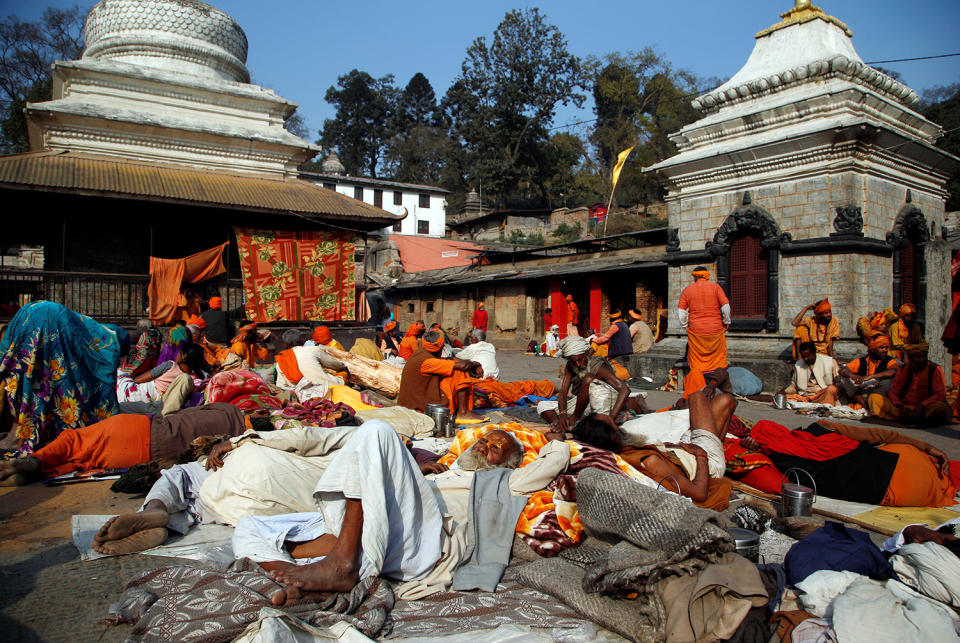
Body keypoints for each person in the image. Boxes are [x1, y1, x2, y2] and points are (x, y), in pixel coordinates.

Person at [230, 420, 570, 603]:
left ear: (509, 463)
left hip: (423, 543)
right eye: (485, 440)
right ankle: (288, 575)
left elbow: (553, 462)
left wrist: (555, 437)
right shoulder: (447, 469)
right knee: (248, 526)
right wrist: (420, 475)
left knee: (377, 431)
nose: (485, 446)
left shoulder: (506, 480)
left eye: (497, 448)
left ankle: (342, 564)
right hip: (385, 527)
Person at [0, 403, 245, 486]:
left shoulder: (226, 408)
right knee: (86, 460)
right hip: (144, 457)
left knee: (75, 441)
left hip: (143, 428)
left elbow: (184, 411)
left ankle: (36, 460)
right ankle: (39, 469)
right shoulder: (240, 443)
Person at [0, 301, 129, 457]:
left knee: (29, 373)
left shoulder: (87, 329)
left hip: (29, 314)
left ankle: (18, 433)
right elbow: (102, 380)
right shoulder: (108, 342)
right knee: (44, 377)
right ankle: (22, 435)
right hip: (48, 320)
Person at [572, 389, 734, 510]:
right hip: (704, 464)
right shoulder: (649, 461)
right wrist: (701, 455)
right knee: (719, 400)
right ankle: (717, 453)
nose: (620, 427)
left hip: (681, 451)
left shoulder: (622, 454)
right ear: (613, 436)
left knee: (707, 405)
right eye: (617, 427)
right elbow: (699, 493)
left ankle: (715, 442)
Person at [736, 418, 954, 507]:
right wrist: (926, 446)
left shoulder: (777, 459)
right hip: (908, 460)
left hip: (897, 493)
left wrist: (756, 448)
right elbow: (880, 434)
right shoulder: (821, 427)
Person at [536, 336, 648, 438]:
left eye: (580, 360)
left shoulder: (597, 366)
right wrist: (562, 416)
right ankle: (561, 425)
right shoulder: (570, 366)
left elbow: (624, 389)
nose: (578, 364)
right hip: (582, 402)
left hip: (604, 400)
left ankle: (574, 421)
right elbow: (563, 393)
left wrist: (611, 420)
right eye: (574, 361)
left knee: (588, 379)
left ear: (586, 354)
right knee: (542, 406)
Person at [397, 330, 483, 419]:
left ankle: (462, 411)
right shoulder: (428, 361)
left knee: (454, 365)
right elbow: (463, 366)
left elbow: (450, 360)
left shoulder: (421, 353)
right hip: (419, 406)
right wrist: (475, 365)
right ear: (440, 347)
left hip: (416, 400)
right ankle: (463, 412)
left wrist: (472, 364)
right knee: (459, 372)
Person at [677, 267, 730, 397]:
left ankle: (699, 386)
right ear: (706, 276)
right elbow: (725, 307)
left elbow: (681, 312)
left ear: (695, 277)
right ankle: (715, 383)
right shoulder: (716, 287)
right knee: (718, 358)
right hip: (715, 329)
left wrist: (686, 326)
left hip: (696, 330)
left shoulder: (687, 290)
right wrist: (726, 322)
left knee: (697, 360)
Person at [868, 342, 949, 426]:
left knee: (940, 407)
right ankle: (912, 419)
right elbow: (893, 392)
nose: (921, 360)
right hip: (903, 407)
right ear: (910, 358)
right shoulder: (902, 369)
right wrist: (900, 406)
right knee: (874, 398)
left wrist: (921, 406)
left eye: (924, 356)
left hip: (924, 408)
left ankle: (913, 419)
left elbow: (940, 394)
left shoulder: (934, 369)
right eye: (918, 357)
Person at [116, 343, 209, 414]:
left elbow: (140, 379)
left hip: (141, 393)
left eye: (179, 353)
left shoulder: (170, 365)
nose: (177, 355)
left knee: (118, 373)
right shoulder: (195, 380)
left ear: (184, 356)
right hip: (159, 401)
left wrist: (132, 382)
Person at [838, 334, 899, 409]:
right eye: (882, 348)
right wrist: (852, 375)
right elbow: (842, 370)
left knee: (888, 381)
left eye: (886, 348)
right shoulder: (861, 361)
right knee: (844, 378)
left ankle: (871, 404)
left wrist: (870, 377)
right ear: (872, 349)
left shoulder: (890, 360)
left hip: (877, 391)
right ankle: (862, 403)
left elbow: (893, 371)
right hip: (862, 391)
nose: (885, 350)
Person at [274, 330, 347, 391]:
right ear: (302, 341)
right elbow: (335, 365)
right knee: (343, 373)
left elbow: (280, 386)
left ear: (285, 345)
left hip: (300, 394)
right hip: (326, 389)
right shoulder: (313, 350)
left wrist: (296, 390)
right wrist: (344, 367)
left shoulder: (280, 361)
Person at [782, 341, 840, 406]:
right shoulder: (798, 364)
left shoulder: (829, 362)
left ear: (814, 353)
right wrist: (783, 392)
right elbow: (794, 386)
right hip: (805, 397)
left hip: (822, 395)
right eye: (803, 357)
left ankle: (823, 406)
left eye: (808, 356)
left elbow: (839, 382)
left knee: (831, 389)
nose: (806, 359)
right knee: (782, 398)